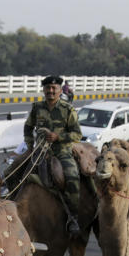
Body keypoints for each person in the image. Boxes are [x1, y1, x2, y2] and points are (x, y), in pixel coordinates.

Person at [24, 75, 84, 235]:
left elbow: (77, 134)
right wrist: (30, 146)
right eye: (48, 88)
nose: (50, 91)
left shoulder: (67, 109)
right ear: (43, 89)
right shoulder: (37, 107)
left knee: (72, 178)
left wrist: (59, 137)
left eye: (54, 88)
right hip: (40, 152)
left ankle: (73, 217)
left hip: (61, 152)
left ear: (59, 90)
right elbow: (28, 127)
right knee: (12, 173)